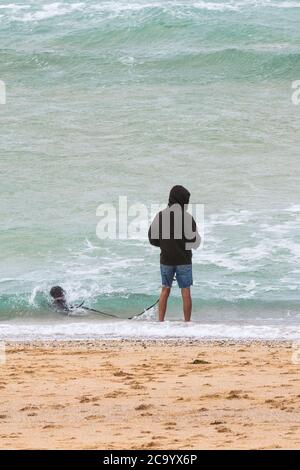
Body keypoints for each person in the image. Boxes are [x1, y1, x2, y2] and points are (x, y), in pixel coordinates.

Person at [148, 185, 201, 322]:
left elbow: (152, 239)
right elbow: (195, 241)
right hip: (184, 260)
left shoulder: (160, 216)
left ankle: (160, 321)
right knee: (185, 291)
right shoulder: (187, 218)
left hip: (166, 259)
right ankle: (187, 323)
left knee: (165, 290)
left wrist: (165, 245)